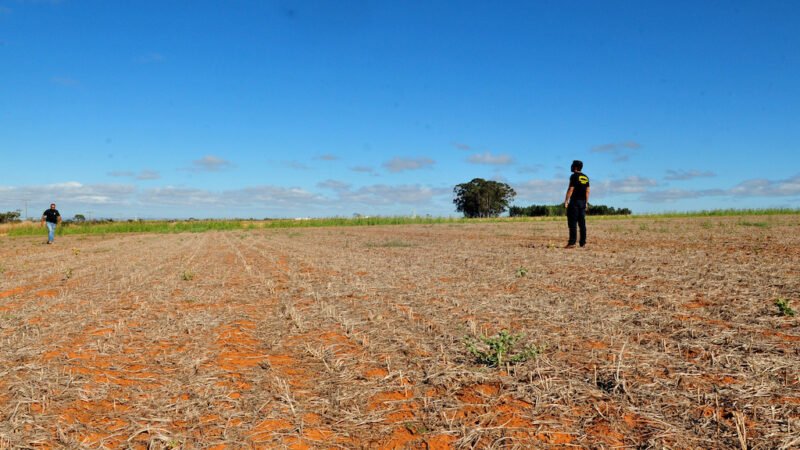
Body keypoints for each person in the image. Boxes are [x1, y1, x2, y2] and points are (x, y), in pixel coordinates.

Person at [564, 160, 590, 248]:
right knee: (582, 223)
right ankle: (582, 242)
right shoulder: (585, 177)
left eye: (572, 165)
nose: (571, 167)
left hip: (574, 202)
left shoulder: (574, 176)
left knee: (572, 223)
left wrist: (566, 200)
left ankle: (572, 242)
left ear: (575, 167)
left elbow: (571, 189)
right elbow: (588, 191)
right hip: (582, 202)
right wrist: (586, 202)